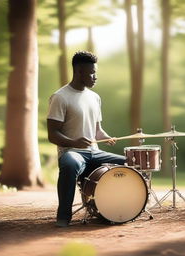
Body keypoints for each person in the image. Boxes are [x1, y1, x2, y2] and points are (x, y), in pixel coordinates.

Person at [47, 51, 125, 227]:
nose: (95, 77)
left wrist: (106, 138)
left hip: (94, 152)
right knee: (69, 164)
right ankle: (63, 217)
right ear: (79, 71)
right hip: (72, 152)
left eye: (95, 72)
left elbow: (97, 130)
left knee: (129, 162)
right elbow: (52, 134)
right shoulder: (60, 97)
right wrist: (75, 143)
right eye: (92, 73)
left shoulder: (95, 97)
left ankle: (119, 209)